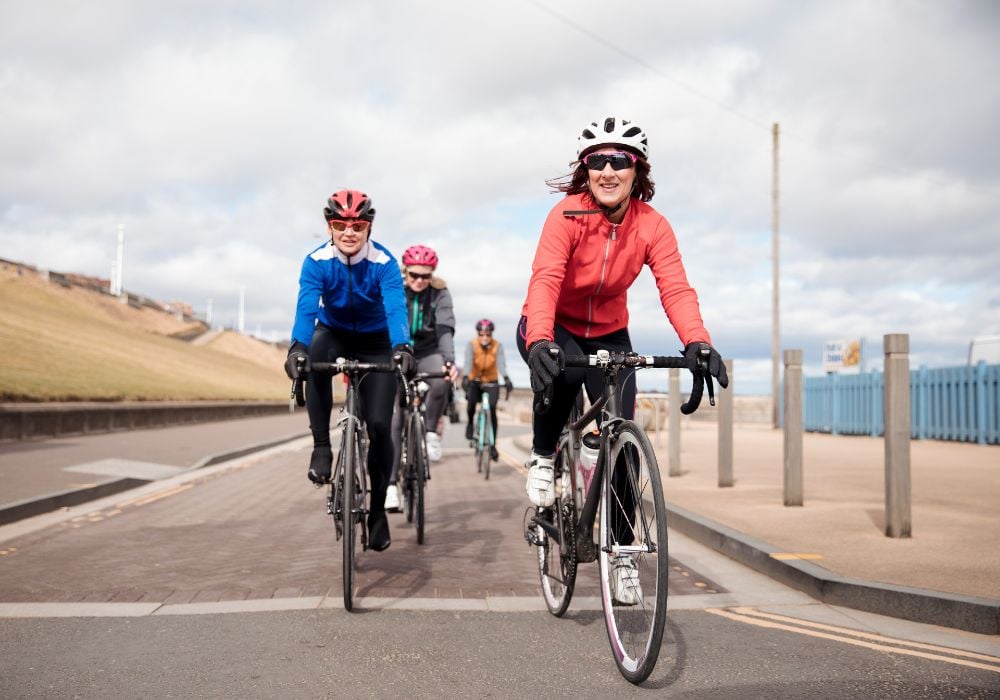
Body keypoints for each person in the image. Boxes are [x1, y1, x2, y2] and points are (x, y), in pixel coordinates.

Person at [516, 117, 728, 603]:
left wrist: (696, 340)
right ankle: (544, 454)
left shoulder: (652, 225)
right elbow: (546, 277)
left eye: (620, 161)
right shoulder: (566, 215)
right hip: (555, 324)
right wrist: (540, 339)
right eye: (597, 161)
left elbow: (674, 286)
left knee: (623, 446)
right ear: (585, 169)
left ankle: (625, 554)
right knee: (563, 373)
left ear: (638, 170)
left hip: (610, 331)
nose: (607, 170)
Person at [284, 189, 416, 552]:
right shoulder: (316, 261)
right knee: (313, 361)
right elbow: (306, 307)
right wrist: (297, 346)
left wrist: (402, 346)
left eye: (357, 225)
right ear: (330, 225)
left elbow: (395, 309)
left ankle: (377, 513)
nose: (349, 232)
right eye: (340, 224)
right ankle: (322, 448)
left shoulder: (384, 263)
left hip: (376, 340)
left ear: (368, 227)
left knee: (378, 425)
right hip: (335, 332)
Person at [385, 244, 459, 511]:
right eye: (414, 275)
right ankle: (391, 486)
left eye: (425, 276)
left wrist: (449, 360)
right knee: (395, 418)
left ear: (432, 274)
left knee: (442, 379)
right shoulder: (395, 288)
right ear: (405, 272)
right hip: (395, 350)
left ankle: (429, 433)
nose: (419, 281)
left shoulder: (440, 293)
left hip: (428, 351)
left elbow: (444, 329)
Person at [463, 319, 513, 461]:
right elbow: (467, 362)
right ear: (478, 334)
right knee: (471, 403)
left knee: (492, 408)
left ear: (491, 334)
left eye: (488, 334)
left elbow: (501, 363)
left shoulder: (498, 346)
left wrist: (506, 378)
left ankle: (492, 445)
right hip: (475, 380)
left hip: (491, 381)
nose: (485, 337)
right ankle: (470, 424)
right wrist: (466, 376)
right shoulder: (471, 345)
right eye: (482, 334)